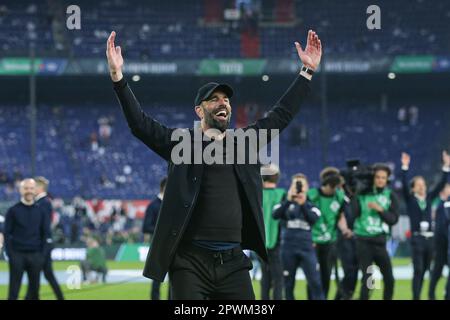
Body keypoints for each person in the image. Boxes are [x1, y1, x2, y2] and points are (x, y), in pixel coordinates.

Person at [106, 29, 322, 299]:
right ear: (200, 110)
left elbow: (281, 115)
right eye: (215, 99)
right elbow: (140, 124)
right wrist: (118, 77)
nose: (224, 103)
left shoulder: (244, 142)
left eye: (227, 99)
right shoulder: (181, 144)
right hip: (189, 263)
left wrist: (307, 72)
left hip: (233, 261)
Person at [401, 151, 450, 300]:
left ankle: (420, 295)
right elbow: (403, 184)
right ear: (413, 188)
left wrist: (446, 166)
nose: (422, 187)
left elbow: (441, 183)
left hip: (430, 240)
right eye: (419, 185)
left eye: (423, 184)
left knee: (425, 271)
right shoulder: (410, 200)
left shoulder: (428, 198)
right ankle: (416, 297)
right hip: (417, 239)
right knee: (418, 269)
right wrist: (404, 167)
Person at [351, 163, 400, 300]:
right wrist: (355, 194)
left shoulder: (390, 195)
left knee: (389, 279)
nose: (380, 180)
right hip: (363, 242)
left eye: (383, 178)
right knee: (368, 280)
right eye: (377, 177)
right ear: (373, 178)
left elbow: (393, 220)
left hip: (380, 242)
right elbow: (353, 215)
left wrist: (380, 210)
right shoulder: (362, 195)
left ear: (387, 179)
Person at [273, 173, 324, 300]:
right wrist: (289, 200)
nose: (299, 187)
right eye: (296, 184)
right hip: (288, 249)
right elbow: (275, 214)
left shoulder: (312, 204)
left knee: (315, 282)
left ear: (307, 187)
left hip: (307, 249)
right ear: (291, 186)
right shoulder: (284, 203)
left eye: (302, 184)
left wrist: (303, 204)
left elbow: (313, 219)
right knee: (288, 284)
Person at [308, 167, 352, 299]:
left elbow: (340, 216)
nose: (334, 189)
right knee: (313, 277)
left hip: (329, 242)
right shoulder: (312, 195)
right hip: (313, 242)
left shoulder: (339, 196)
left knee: (326, 276)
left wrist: (344, 229)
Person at [4, 178, 51, 300]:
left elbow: (46, 234)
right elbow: (6, 233)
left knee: (34, 293)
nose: (29, 191)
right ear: (20, 190)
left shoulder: (41, 211)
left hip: (35, 256)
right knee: (13, 292)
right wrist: (11, 254)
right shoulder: (13, 211)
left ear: (35, 190)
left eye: (31, 188)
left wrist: (42, 256)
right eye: (26, 188)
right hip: (17, 255)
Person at [25, 176, 64, 300]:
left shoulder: (44, 202)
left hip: (42, 245)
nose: (31, 190)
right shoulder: (41, 202)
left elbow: (43, 225)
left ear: (40, 187)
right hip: (42, 244)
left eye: (33, 187)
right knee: (47, 274)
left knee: (35, 274)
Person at [260, 164, 285, 300]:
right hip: (278, 241)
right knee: (278, 278)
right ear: (277, 177)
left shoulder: (257, 194)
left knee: (265, 277)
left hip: (261, 241)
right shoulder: (282, 194)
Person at [143, 177, 167, 300]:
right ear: (164, 187)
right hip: (158, 245)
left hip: (172, 245)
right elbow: (146, 226)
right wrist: (162, 231)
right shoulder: (153, 206)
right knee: (156, 277)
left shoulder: (172, 204)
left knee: (176, 277)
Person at [429, 184, 450, 299]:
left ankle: (447, 293)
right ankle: (432, 293)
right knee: (437, 271)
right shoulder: (440, 204)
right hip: (441, 244)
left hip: (446, 243)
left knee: (438, 270)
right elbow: (441, 227)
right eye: (448, 188)